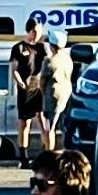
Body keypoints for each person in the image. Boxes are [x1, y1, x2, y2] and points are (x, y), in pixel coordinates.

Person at [8, 15, 67, 158]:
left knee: (44, 123)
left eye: (39, 31)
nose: (37, 34)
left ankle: (46, 153)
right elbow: (14, 69)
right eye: (34, 31)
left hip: (41, 90)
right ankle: (23, 155)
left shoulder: (43, 48)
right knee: (25, 123)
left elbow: (51, 63)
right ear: (29, 31)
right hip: (25, 90)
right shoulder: (18, 48)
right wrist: (20, 81)